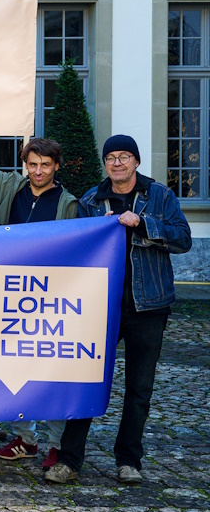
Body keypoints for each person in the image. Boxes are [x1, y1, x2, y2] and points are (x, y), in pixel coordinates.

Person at [45, 135, 192, 486]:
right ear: (105, 163)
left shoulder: (159, 196)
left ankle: (128, 461)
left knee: (139, 389)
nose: (118, 163)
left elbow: (183, 239)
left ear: (136, 162)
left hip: (149, 305)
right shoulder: (91, 200)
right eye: (111, 157)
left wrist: (142, 224)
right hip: (99, 307)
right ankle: (69, 460)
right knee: (86, 383)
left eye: (125, 156)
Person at [0, 108, 78, 467]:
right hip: (11, 292)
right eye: (33, 164)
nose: (39, 171)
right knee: (15, 368)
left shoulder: (69, 204)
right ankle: (25, 438)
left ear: (56, 166)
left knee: (54, 371)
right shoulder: (11, 185)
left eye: (45, 164)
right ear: (25, 164)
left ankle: (57, 444)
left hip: (51, 296)